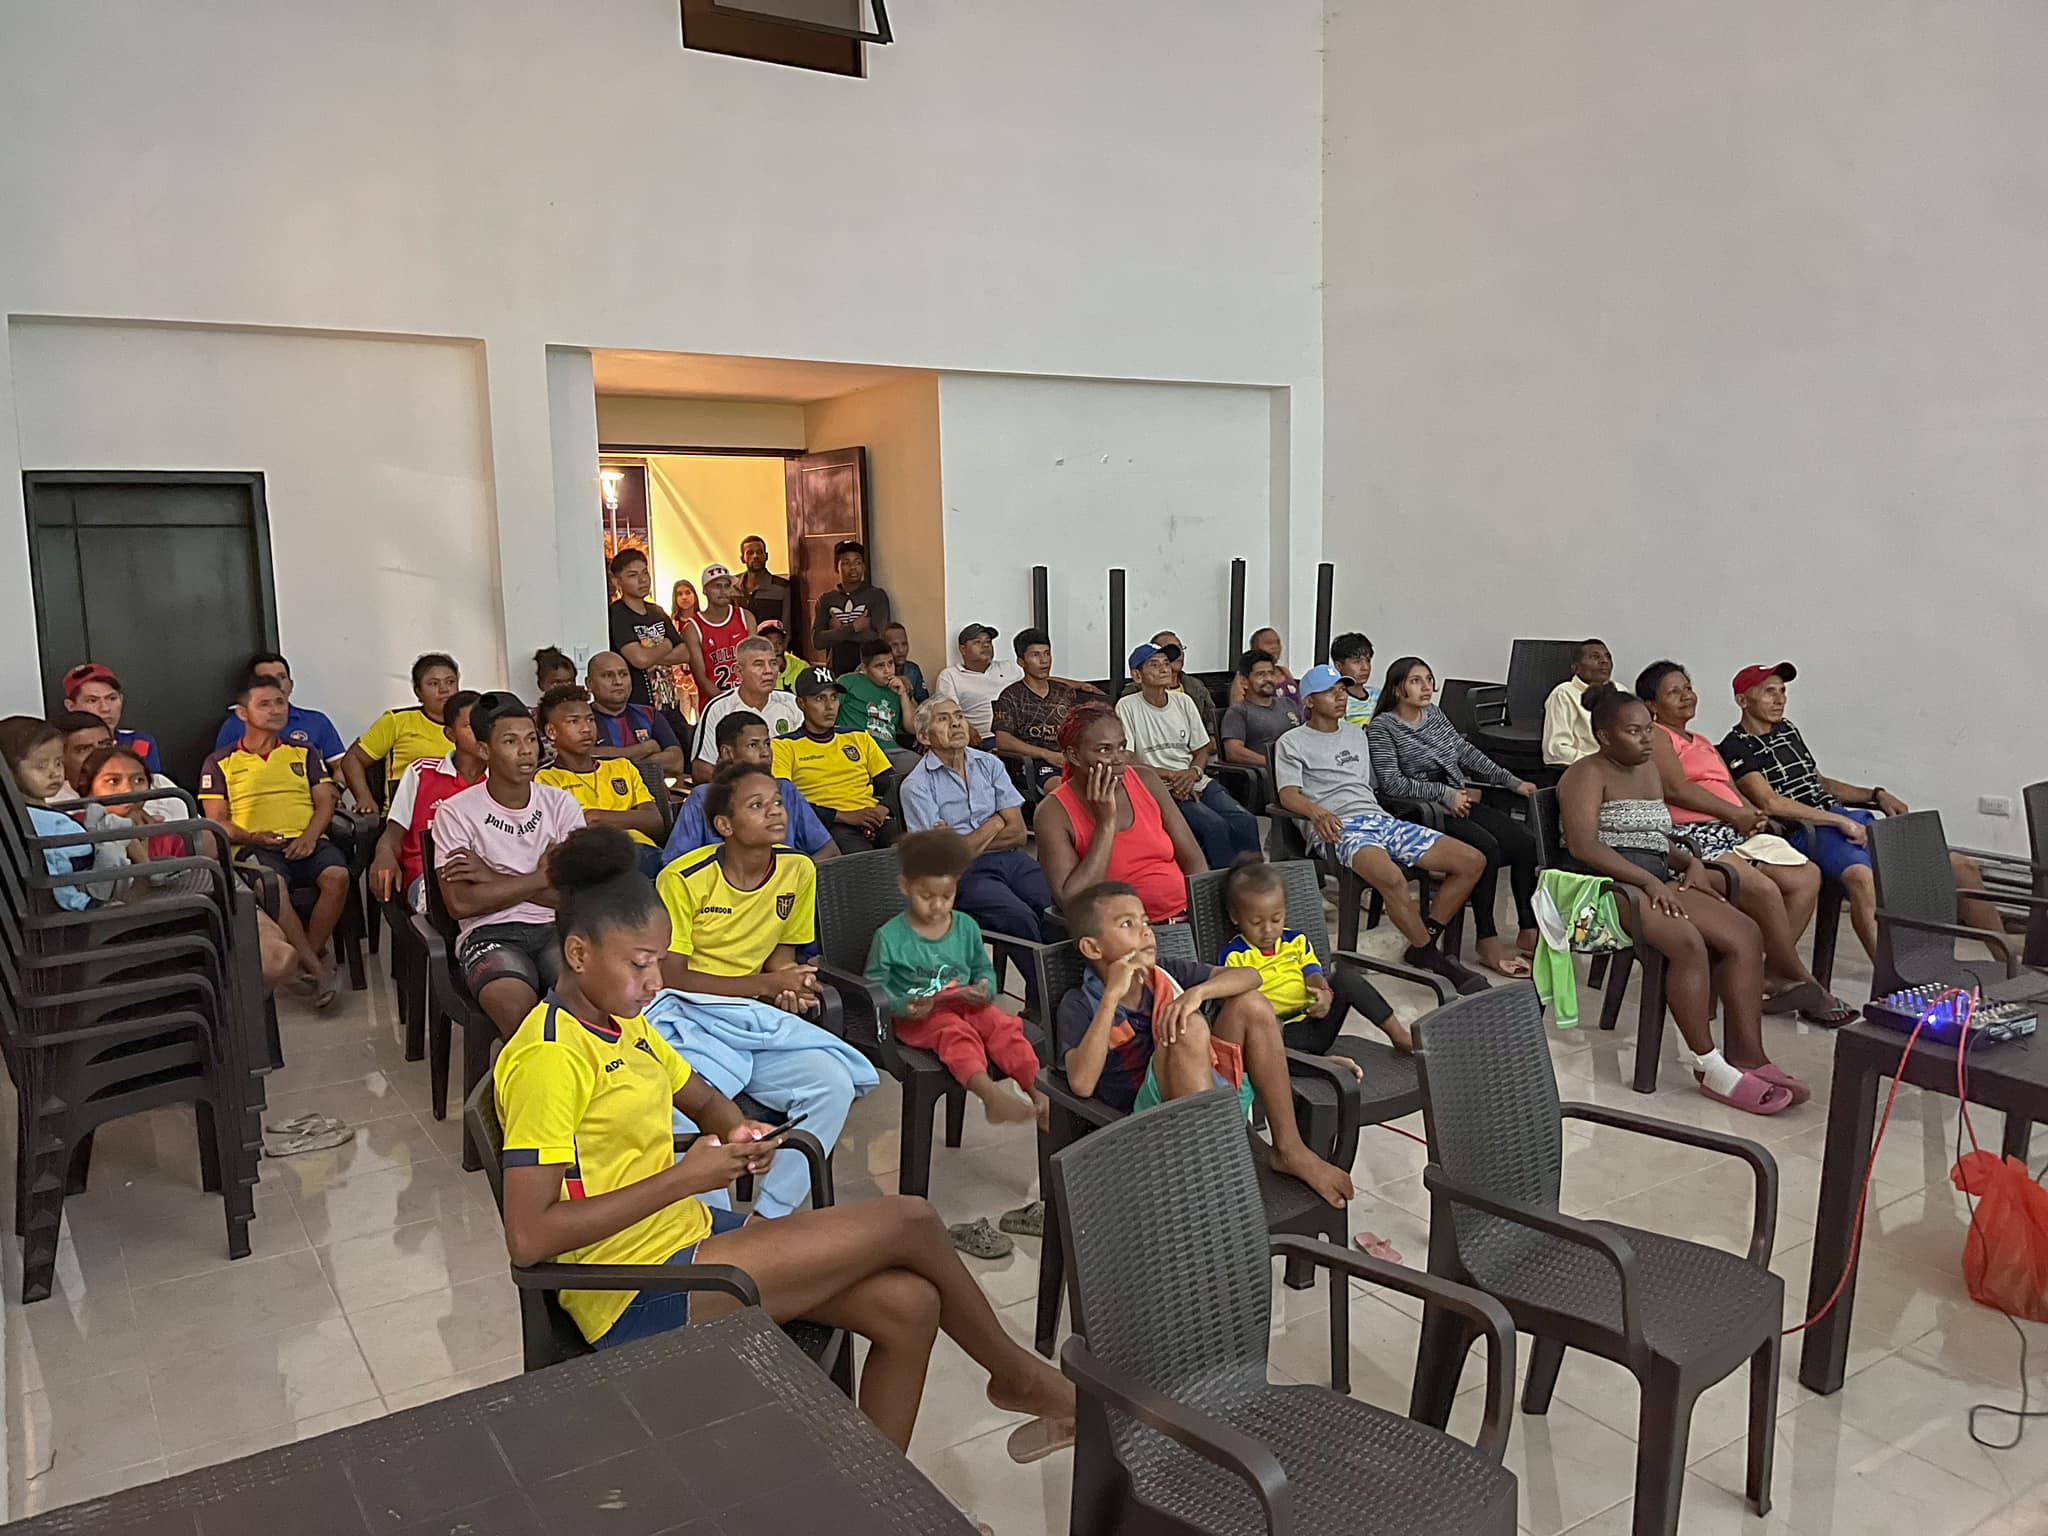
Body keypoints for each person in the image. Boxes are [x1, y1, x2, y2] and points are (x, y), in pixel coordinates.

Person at [493, 826, 1076, 1460]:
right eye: (639, 964)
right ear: (578, 954)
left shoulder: (619, 1022)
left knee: (910, 1306)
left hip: (684, 1238)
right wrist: (684, 1178)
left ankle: (871, 1495)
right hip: (628, 1290)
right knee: (911, 1219)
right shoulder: (549, 1059)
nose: (656, 980)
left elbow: (701, 1097)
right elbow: (530, 1237)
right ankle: (1020, 1379)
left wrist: (738, 1130)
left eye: (659, 961)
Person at [1560, 684, 1804, 1113]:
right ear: (1604, 737)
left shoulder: (1648, 771)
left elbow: (1657, 837)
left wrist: (1689, 862)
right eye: (1633, 732)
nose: (1646, 740)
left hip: (1655, 879)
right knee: (1687, 941)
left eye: (1648, 730)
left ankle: (1749, 1055)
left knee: (1745, 933)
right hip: (1606, 887)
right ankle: (1708, 1064)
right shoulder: (1585, 774)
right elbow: (1585, 846)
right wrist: (1648, 882)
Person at [1057, 881, 1356, 1207]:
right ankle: (1211, 1170)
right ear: (1092, 948)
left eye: (1145, 921)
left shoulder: (1165, 973)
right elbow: (1082, 1084)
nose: (1145, 932)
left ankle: (1289, 1148)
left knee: (1251, 1003)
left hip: (1206, 1095)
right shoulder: (1079, 1004)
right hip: (1147, 1125)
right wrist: (1112, 997)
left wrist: (1197, 993)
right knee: (1190, 1028)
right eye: (1127, 924)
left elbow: (1251, 976)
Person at [1719, 661, 1994, 962]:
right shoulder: (1736, 747)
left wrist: (1875, 794)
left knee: (1962, 866)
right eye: (1769, 692)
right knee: (1864, 879)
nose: (1780, 699)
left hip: (1843, 819)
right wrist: (1837, 820)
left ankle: (2011, 966)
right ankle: (1894, 978)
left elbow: (1820, 783)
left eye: (1783, 691)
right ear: (1742, 700)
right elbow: (1770, 802)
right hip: (1806, 831)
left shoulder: (1787, 730)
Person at [1635, 661, 1854, 1024]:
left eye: (1688, 687)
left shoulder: (1701, 741)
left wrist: (1752, 815)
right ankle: (1801, 979)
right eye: (1674, 692)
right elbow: (1676, 789)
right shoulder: (1658, 736)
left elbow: (1730, 788)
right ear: (1652, 705)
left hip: (1731, 830)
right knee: (1763, 889)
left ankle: (1764, 972)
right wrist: (1734, 814)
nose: (1687, 695)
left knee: (1806, 876)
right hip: (1693, 838)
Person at [1277, 666, 1488, 994]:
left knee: (1471, 861)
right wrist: (1317, 813)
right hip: (1338, 827)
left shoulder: (1356, 735)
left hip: (1378, 819)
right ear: (1309, 701)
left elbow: (1376, 786)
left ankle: (1423, 941)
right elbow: (1288, 794)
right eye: (1330, 691)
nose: (1340, 697)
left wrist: (1440, 796)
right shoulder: (1292, 742)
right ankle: (1434, 959)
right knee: (1391, 877)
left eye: (1343, 690)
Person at [1368, 657, 1540, 980]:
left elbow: (1465, 752)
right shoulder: (1383, 728)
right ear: (1398, 689)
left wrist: (1512, 782)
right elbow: (1392, 784)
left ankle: (1527, 929)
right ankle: (1486, 939)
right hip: (1417, 810)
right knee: (1487, 848)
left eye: (1429, 679)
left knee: (1523, 843)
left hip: (1455, 799)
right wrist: (1443, 795)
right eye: (1416, 681)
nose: (1426, 687)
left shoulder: (1433, 715)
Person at [432, 693, 587, 1038]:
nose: (526, 751)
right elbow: (461, 904)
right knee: (520, 1014)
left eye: (531, 739)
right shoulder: (455, 813)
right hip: (488, 934)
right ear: (484, 750)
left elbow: (575, 897)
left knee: (588, 1001)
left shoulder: (561, 805)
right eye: (510, 742)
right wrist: (543, 876)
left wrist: (491, 877)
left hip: (557, 927)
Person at [866, 829, 1046, 1125]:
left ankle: (1038, 1094)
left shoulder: (965, 926)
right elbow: (875, 988)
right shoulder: (890, 937)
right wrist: (901, 1005)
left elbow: (982, 969)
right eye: (926, 896)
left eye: (946, 896)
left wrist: (985, 988)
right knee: (954, 1034)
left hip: (965, 1004)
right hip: (918, 1018)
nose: (937, 906)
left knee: (1003, 1026)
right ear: (905, 887)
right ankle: (989, 1096)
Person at [199, 675, 349, 1003]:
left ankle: (304, 960)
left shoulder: (304, 752)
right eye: (264, 704)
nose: (275, 710)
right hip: (253, 846)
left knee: (337, 877)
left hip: (306, 840)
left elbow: (325, 801)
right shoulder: (220, 761)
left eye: (280, 702)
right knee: (272, 885)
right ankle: (319, 969)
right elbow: (217, 821)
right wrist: (254, 836)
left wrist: (310, 837)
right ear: (243, 713)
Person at [1219, 857, 1409, 1060]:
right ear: (1235, 917)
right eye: (1256, 922)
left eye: (1276, 919)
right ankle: (1322, 1064)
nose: (1268, 930)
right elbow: (1235, 1007)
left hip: (1315, 1022)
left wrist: (1324, 993)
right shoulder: (1234, 956)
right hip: (1277, 1039)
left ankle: (1400, 1036)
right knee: (1263, 1045)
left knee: (1346, 977)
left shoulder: (1296, 941)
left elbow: (1312, 973)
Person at [901, 697, 1053, 943]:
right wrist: (996, 822)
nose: (955, 723)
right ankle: (1042, 970)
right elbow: (943, 860)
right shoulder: (916, 786)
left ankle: (1069, 968)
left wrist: (960, 843)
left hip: (1012, 859)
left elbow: (1018, 833)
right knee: (1018, 917)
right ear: (924, 737)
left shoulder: (990, 764)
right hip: (966, 874)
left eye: (959, 716)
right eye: (943, 719)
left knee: (1053, 904)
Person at [1036, 705, 1205, 924]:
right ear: (1075, 756)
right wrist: (1106, 824)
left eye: (1122, 747)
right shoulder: (1053, 812)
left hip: (1184, 919)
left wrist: (1201, 917)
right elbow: (1072, 901)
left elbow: (1194, 860)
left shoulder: (1146, 780)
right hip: (1123, 931)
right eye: (1104, 750)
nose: (1118, 759)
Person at [1117, 642, 1260, 869]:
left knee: (1246, 821)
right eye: (1154, 664)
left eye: (1166, 663)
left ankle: (1253, 881)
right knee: (1214, 826)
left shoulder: (1183, 701)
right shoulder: (1127, 706)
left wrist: (1193, 773)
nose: (1164, 669)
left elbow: (1201, 749)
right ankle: (1218, 886)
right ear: (1137, 675)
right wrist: (1172, 776)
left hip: (1193, 779)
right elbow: (1129, 759)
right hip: (1160, 787)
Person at [665, 711, 835, 862]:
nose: (765, 753)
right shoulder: (703, 797)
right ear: (727, 753)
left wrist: (794, 874)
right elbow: (675, 862)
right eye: (753, 745)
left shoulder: (785, 790)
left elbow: (830, 850)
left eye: (767, 744)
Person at [369, 689, 483, 910]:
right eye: (470, 726)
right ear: (450, 734)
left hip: (487, 878)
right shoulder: (422, 772)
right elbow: (393, 834)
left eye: (485, 724)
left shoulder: (499, 778)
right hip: (427, 879)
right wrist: (383, 855)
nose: (480, 732)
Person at [537, 686, 667, 878]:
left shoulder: (622, 766)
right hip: (590, 862)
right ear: (551, 731)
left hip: (643, 852)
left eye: (590, 719)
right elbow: (563, 837)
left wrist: (594, 817)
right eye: (574, 721)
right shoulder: (546, 779)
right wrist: (628, 818)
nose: (586, 729)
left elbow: (654, 821)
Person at [773, 668, 899, 854]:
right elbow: (786, 800)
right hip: (829, 825)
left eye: (834, 697)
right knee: (863, 860)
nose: (829, 706)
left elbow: (891, 783)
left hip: (874, 818)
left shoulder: (858, 737)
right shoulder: (783, 746)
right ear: (801, 703)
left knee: (912, 850)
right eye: (819, 699)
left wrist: (882, 809)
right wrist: (841, 816)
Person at [338, 652, 459, 813]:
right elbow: (352, 759)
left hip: (459, 813)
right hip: (405, 815)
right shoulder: (397, 721)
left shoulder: (471, 723)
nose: (444, 690)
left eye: (450, 682)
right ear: (418, 692)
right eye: (433, 684)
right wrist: (364, 798)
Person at [607, 547, 697, 745]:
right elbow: (639, 659)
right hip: (639, 707)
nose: (642, 580)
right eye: (633, 575)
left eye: (645, 573)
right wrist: (666, 644)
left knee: (685, 751)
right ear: (617, 581)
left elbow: (684, 653)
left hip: (670, 704)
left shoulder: (656, 611)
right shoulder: (617, 614)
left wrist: (650, 653)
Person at [691, 636, 802, 781]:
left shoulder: (792, 703)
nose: (769, 671)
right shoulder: (719, 708)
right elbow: (701, 768)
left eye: (773, 663)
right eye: (759, 664)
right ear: (739, 671)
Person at [991, 627, 1082, 796]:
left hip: (1071, 758)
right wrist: (1046, 754)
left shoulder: (1065, 692)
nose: (1044, 660)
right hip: (1035, 763)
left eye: (1047, 653)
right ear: (1021, 661)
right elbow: (1003, 741)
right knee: (1065, 791)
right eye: (1035, 655)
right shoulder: (1011, 696)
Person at [211, 652, 344, 767]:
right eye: (267, 679)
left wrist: (337, 785)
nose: (277, 684)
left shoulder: (316, 721)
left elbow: (340, 766)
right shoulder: (235, 725)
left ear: (291, 685)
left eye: (282, 677)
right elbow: (221, 771)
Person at [48, 710, 184, 822]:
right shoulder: (51, 804)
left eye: (106, 744)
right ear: (60, 759)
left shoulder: (160, 784)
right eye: (84, 749)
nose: (99, 753)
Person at [586, 651, 686, 782]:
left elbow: (676, 762)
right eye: (608, 675)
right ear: (589, 683)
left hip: (651, 792)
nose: (618, 681)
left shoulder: (649, 714)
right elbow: (584, 759)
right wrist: (645, 749)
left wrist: (614, 761)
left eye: (623, 674)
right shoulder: (582, 719)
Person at [60, 664, 161, 775]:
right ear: (71, 706)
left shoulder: (139, 743)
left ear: (121, 700)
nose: (105, 708)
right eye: (92, 700)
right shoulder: (58, 747)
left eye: (112, 698)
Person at [811, 539, 890, 677]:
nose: (853, 567)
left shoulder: (876, 596)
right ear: (836, 567)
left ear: (864, 566)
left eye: (857, 562)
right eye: (846, 563)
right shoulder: (826, 599)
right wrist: (853, 627)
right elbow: (817, 640)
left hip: (869, 672)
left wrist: (836, 632)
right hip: (836, 671)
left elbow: (878, 637)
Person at [836, 637, 917, 768]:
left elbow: (913, 728)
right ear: (864, 668)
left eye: (890, 663)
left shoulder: (896, 688)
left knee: (919, 765)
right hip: (857, 749)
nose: (887, 670)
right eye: (880, 666)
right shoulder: (849, 682)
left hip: (890, 751)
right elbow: (829, 710)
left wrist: (903, 695)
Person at [1118, 631, 1219, 736]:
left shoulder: (1194, 687)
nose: (1180, 654)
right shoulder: (1132, 696)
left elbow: (1211, 718)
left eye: (1180, 648)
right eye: (1155, 664)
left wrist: (1212, 737)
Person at [935, 625, 1022, 745]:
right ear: (963, 649)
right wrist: (966, 729)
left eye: (988, 642)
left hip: (1020, 734)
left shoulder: (1010, 667)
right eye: (977, 642)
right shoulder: (950, 676)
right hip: (985, 738)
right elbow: (949, 712)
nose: (986, 646)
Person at [1218, 649, 1304, 768]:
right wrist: (1276, 763)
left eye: (1271, 673)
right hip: (1267, 773)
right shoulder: (1238, 712)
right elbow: (1234, 752)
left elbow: (1306, 736)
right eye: (1261, 674)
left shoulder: (1288, 704)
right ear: (1244, 681)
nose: (1268, 678)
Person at [684, 563, 755, 704]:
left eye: (726, 586)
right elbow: (701, 678)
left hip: (748, 701)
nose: (723, 591)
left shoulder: (745, 617)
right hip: (715, 704)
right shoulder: (693, 628)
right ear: (705, 590)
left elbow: (755, 661)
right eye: (717, 586)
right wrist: (727, 703)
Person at [1542, 638, 1611, 768]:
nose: (1604, 661)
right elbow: (1556, 750)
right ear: (1576, 668)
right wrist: (1599, 763)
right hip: (1588, 769)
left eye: (1608, 657)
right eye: (1595, 657)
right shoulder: (1564, 694)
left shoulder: (1620, 690)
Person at [1227, 628, 1299, 706]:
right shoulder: (1243, 676)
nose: (1275, 647)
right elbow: (1237, 706)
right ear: (1255, 647)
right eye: (1269, 643)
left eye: (1278, 643)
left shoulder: (1284, 671)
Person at [734, 534, 791, 626]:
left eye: (759, 552)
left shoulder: (782, 588)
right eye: (750, 553)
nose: (755, 556)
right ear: (742, 559)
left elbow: (787, 626)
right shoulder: (732, 585)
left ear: (766, 556)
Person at [1330, 632, 1379, 728]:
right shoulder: (1337, 700)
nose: (1365, 667)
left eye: (1368, 661)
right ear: (1339, 666)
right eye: (1357, 662)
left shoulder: (1378, 696)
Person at [758, 620, 808, 691]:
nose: (775, 648)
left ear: (784, 643)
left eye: (779, 643)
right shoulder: (755, 671)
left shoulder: (802, 667)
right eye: (769, 644)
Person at [884, 623, 927, 704]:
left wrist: (908, 691)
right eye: (894, 645)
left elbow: (924, 704)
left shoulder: (913, 670)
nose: (901, 650)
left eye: (904, 644)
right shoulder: (875, 671)